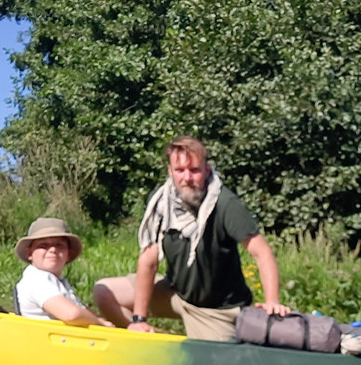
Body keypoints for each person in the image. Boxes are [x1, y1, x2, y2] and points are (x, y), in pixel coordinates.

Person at [93, 136, 290, 341]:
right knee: (104, 292)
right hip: (175, 292)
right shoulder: (161, 202)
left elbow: (262, 252)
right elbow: (149, 260)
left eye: (194, 170)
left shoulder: (225, 204)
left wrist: (272, 301)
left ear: (206, 170)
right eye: (180, 170)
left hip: (215, 310)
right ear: (170, 171)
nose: (187, 177)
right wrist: (138, 319)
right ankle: (151, 343)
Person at [13, 217, 114, 327]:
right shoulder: (37, 279)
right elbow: (72, 315)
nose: (52, 250)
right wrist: (100, 323)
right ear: (29, 253)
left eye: (59, 245)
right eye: (43, 246)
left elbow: (80, 309)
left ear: (68, 253)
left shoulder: (57, 280)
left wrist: (99, 319)